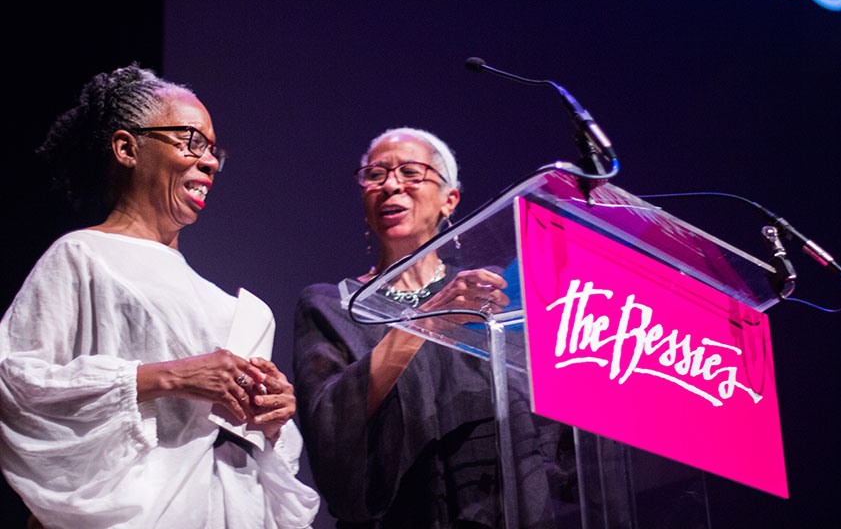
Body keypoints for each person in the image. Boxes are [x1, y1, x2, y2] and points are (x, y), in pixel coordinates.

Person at [0, 64, 319, 528]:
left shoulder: (230, 308)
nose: (209, 161)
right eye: (191, 140)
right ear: (128, 148)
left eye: (213, 150)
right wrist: (169, 378)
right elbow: (15, 383)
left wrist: (272, 420)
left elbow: (243, 448)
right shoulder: (84, 256)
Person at [293, 128, 574, 528]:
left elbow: (551, 427)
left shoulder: (489, 294)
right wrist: (429, 321)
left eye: (410, 172)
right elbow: (330, 430)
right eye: (375, 175)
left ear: (450, 200)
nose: (391, 185)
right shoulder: (331, 305)